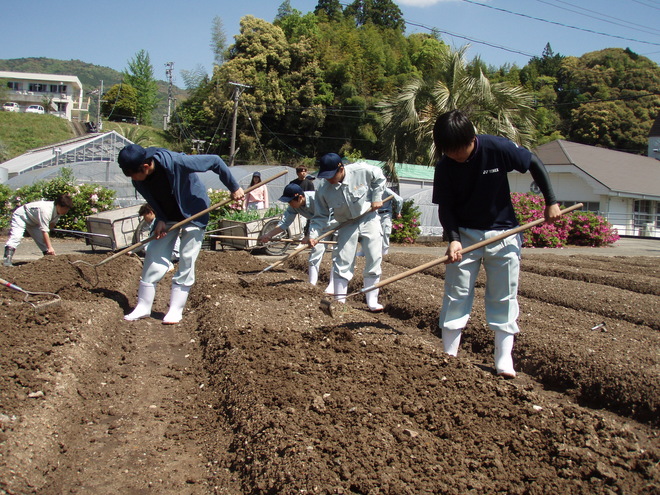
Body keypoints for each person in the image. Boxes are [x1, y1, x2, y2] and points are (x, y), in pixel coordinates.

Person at [431, 109, 562, 378]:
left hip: (503, 234)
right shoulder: (445, 166)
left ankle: (503, 360)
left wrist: (551, 201)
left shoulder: (497, 147)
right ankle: (449, 355)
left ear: (472, 138)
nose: (456, 155)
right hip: (465, 236)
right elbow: (446, 208)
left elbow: (533, 163)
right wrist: (453, 240)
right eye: (449, 150)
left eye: (460, 149)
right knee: (456, 294)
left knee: (504, 295)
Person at [118, 144, 244, 324]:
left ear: (146, 166)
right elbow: (153, 198)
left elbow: (215, 161)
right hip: (168, 216)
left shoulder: (177, 162)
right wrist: (160, 218)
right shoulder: (138, 179)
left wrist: (234, 187)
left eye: (133, 175)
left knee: (186, 257)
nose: (133, 180)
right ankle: (143, 306)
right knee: (153, 253)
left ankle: (175, 309)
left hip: (193, 211)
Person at [308, 153, 386, 312]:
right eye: (325, 176)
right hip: (345, 223)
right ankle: (339, 303)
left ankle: (372, 302)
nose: (329, 179)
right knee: (342, 259)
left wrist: (377, 197)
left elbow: (379, 176)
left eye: (331, 175)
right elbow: (320, 216)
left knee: (374, 257)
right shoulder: (323, 189)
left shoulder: (361, 170)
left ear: (341, 168)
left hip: (368, 218)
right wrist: (314, 235)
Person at [259, 183, 336, 291]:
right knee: (315, 253)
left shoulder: (317, 199)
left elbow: (321, 219)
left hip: (336, 221)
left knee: (337, 255)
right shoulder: (294, 206)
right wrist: (268, 235)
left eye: (290, 201)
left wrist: (310, 236)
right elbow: (284, 223)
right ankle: (312, 284)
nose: (289, 204)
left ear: (300, 197)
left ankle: (333, 286)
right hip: (318, 225)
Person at [3, 193, 73, 267]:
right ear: (59, 205)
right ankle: (7, 259)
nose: (66, 211)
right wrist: (50, 247)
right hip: (22, 216)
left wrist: (47, 240)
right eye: (65, 208)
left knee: (43, 242)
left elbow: (50, 225)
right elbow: (44, 231)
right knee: (17, 236)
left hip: (34, 222)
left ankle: (49, 260)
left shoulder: (58, 212)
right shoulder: (46, 210)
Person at [377, 187, 403, 255]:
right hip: (374, 213)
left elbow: (399, 200)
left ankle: (384, 252)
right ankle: (364, 251)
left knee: (385, 232)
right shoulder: (371, 189)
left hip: (385, 214)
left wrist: (398, 212)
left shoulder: (386, 190)